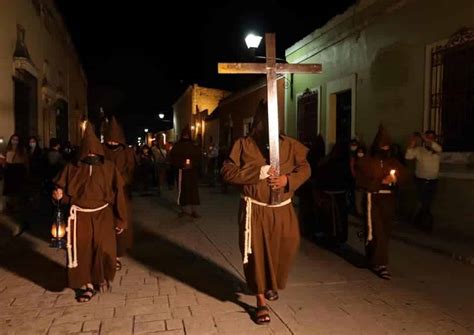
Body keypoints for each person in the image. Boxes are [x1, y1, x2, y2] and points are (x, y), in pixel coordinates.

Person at [221, 102, 310, 324]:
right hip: (255, 210)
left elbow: (306, 167)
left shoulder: (289, 144)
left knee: (287, 246)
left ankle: (270, 284)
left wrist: (288, 180)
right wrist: (257, 172)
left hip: (282, 209)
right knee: (257, 254)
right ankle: (261, 299)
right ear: (258, 123)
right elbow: (227, 171)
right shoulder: (243, 144)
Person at [52, 122, 127, 302]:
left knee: (104, 249)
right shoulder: (72, 167)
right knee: (83, 250)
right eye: (88, 152)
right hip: (79, 215)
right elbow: (59, 191)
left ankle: (100, 278)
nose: (91, 154)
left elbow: (118, 195)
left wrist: (121, 219)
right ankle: (85, 285)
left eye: (94, 151)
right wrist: (58, 195)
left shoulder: (108, 168)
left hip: (103, 214)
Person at [356, 125, 406, 280]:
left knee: (384, 232)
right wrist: (379, 181)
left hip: (388, 200)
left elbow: (403, 176)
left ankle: (373, 259)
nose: (385, 149)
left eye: (387, 146)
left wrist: (394, 179)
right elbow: (361, 180)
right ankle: (380, 263)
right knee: (376, 232)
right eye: (382, 146)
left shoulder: (392, 162)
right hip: (373, 199)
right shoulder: (367, 161)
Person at [103, 116, 136, 271]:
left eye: (115, 141)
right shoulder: (102, 151)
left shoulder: (127, 152)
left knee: (121, 221)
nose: (112, 144)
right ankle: (109, 253)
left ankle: (118, 251)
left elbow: (131, 170)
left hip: (121, 192)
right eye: (110, 141)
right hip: (105, 192)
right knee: (106, 224)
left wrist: (121, 181)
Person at [405, 130, 442, 233]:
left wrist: (424, 137)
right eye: (427, 137)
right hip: (421, 180)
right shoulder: (419, 150)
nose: (429, 139)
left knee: (427, 203)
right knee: (424, 202)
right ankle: (426, 225)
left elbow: (434, 146)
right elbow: (408, 156)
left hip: (433, 181)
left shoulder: (437, 149)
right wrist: (413, 142)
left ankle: (417, 220)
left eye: (431, 137)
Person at [168, 125, 202, 218]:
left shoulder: (194, 145)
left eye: (187, 135)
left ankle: (194, 210)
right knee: (182, 191)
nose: (186, 136)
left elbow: (199, 157)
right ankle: (184, 209)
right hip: (181, 172)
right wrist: (181, 164)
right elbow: (173, 157)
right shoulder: (177, 146)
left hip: (192, 172)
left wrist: (193, 164)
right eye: (184, 135)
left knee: (193, 192)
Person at [2, 134, 28, 215]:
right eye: (13, 139)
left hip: (18, 169)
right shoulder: (7, 149)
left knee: (17, 189)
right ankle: (9, 206)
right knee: (9, 189)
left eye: (16, 139)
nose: (15, 141)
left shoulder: (22, 149)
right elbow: (4, 159)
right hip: (9, 169)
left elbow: (25, 161)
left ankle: (16, 207)